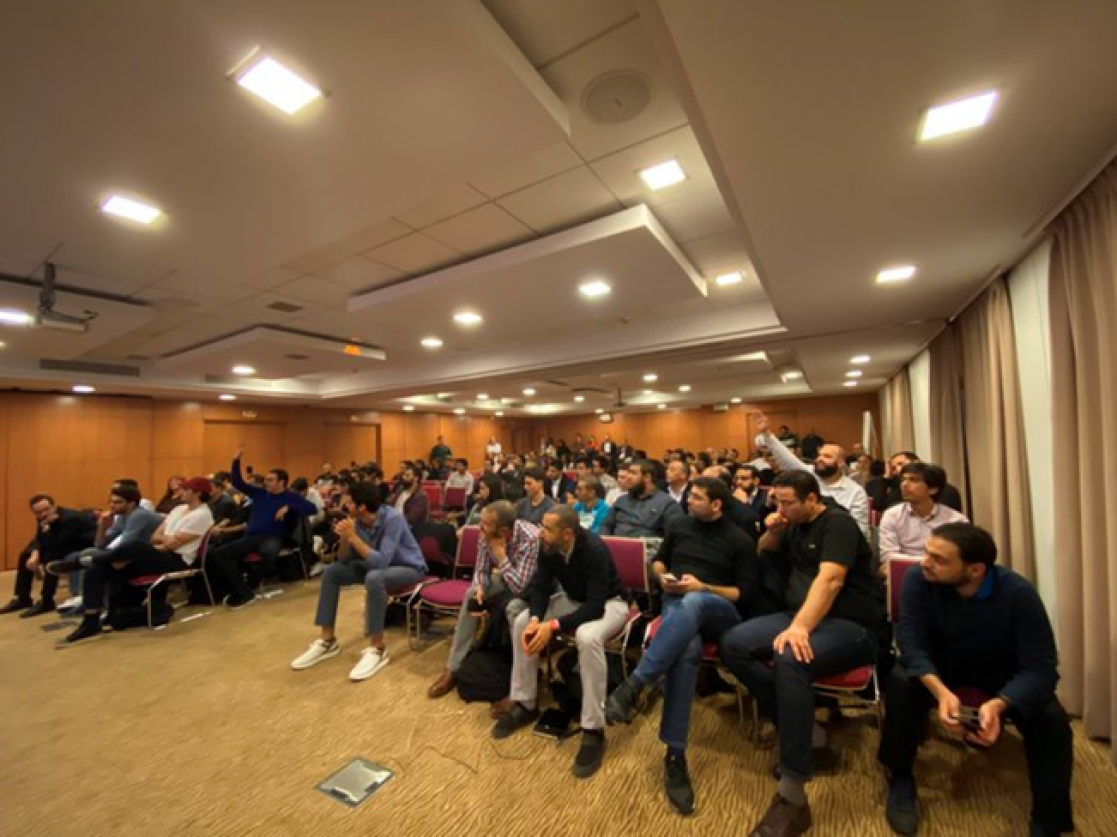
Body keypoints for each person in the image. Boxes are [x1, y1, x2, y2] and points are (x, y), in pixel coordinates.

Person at [878, 524, 1073, 837]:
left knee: (1051, 719)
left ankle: (1048, 820)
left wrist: (1000, 704)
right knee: (901, 681)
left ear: (975, 569)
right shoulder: (918, 579)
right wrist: (941, 692)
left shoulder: (1018, 593)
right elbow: (911, 645)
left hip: (1000, 670)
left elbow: (1040, 669)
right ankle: (900, 775)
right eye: (927, 553)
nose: (925, 562)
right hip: (943, 666)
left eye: (939, 559)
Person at [719, 469, 885, 837]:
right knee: (733, 644)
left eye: (787, 502)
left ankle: (792, 793)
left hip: (850, 624)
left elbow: (831, 580)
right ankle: (809, 731)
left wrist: (800, 628)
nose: (780, 508)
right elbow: (762, 550)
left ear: (812, 499)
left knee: (790, 657)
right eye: (776, 501)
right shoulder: (792, 524)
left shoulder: (837, 523)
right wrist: (775, 530)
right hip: (800, 615)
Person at [605, 477, 783, 814]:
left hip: (720, 610)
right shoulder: (680, 525)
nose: (689, 501)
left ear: (717, 505)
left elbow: (743, 595)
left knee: (695, 601)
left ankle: (636, 683)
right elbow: (660, 561)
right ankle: (675, 755)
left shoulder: (740, 540)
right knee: (685, 652)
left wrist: (703, 587)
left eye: (697, 498)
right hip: (677, 604)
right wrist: (662, 577)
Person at [492, 506, 629, 780]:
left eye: (547, 528)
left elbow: (595, 607)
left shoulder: (594, 549)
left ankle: (593, 729)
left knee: (587, 637)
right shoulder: (549, 547)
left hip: (610, 604)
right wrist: (535, 620)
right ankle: (525, 702)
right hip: (575, 600)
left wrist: (553, 626)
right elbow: (541, 588)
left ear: (567, 533)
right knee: (521, 622)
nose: (540, 533)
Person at [291, 482, 427, 681]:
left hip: (409, 569)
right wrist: (345, 538)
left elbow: (381, 561)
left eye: (349, 502)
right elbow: (343, 559)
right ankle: (327, 639)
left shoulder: (393, 519)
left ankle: (377, 647)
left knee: (374, 577)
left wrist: (353, 537)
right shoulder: (357, 521)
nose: (345, 505)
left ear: (362, 506)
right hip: (376, 568)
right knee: (332, 572)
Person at [58, 478, 215, 645]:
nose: (180, 492)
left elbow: (172, 546)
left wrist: (160, 543)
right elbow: (155, 537)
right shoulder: (178, 509)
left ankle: (84, 562)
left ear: (197, 493)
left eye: (185, 489)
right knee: (96, 569)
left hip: (178, 560)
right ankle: (90, 622)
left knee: (134, 545)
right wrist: (164, 541)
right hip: (160, 554)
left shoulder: (202, 515)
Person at [427, 500, 541, 699]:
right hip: (507, 578)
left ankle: (517, 677)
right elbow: (481, 569)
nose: (480, 527)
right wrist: (480, 586)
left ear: (503, 531)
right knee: (471, 593)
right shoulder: (486, 533)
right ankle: (453, 667)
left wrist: (500, 555)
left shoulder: (530, 538)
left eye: (486, 524)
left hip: (531, 588)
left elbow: (520, 587)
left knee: (514, 608)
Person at [205, 448, 318, 609]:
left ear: (281, 483)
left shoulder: (291, 497)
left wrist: (289, 507)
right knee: (219, 554)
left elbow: (312, 509)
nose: (266, 482)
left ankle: (249, 585)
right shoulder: (260, 493)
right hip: (252, 536)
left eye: (271, 480)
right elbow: (238, 483)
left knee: (269, 551)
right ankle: (243, 590)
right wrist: (235, 461)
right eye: (266, 480)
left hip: (274, 536)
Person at [753, 411, 870, 540]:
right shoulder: (809, 475)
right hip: (805, 538)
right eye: (819, 455)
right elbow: (787, 460)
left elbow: (860, 532)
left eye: (827, 456)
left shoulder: (855, 492)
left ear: (841, 463)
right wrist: (767, 433)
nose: (820, 459)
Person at [0, 495, 97, 618]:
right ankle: (22, 598)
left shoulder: (70, 519)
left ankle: (47, 600)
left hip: (81, 547)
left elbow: (59, 545)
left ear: (54, 506)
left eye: (46, 509)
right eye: (38, 512)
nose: (43, 514)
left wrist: (45, 530)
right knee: (25, 555)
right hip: (59, 543)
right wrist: (35, 554)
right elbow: (38, 538)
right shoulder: (43, 518)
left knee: (51, 558)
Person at [878, 462, 968, 572]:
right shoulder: (892, 515)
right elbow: (889, 557)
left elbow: (958, 559)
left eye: (913, 480)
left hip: (943, 573)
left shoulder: (956, 520)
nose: (904, 484)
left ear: (933, 489)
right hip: (904, 572)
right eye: (903, 480)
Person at [601, 460, 684, 538]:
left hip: (646, 546)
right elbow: (606, 525)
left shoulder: (667, 504)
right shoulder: (622, 500)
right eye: (629, 472)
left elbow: (675, 535)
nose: (628, 476)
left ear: (647, 477)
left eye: (633, 473)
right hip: (615, 544)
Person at [884, 451, 964, 513]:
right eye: (894, 468)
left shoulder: (947, 491)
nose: (898, 470)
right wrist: (886, 478)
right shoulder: (899, 488)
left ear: (917, 462)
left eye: (900, 464)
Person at [389, 464, 429, 528]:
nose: (403, 477)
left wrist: (395, 522)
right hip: (395, 523)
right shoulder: (400, 490)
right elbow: (391, 507)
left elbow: (412, 518)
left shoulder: (421, 496)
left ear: (416, 478)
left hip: (410, 528)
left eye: (407, 475)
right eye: (404, 475)